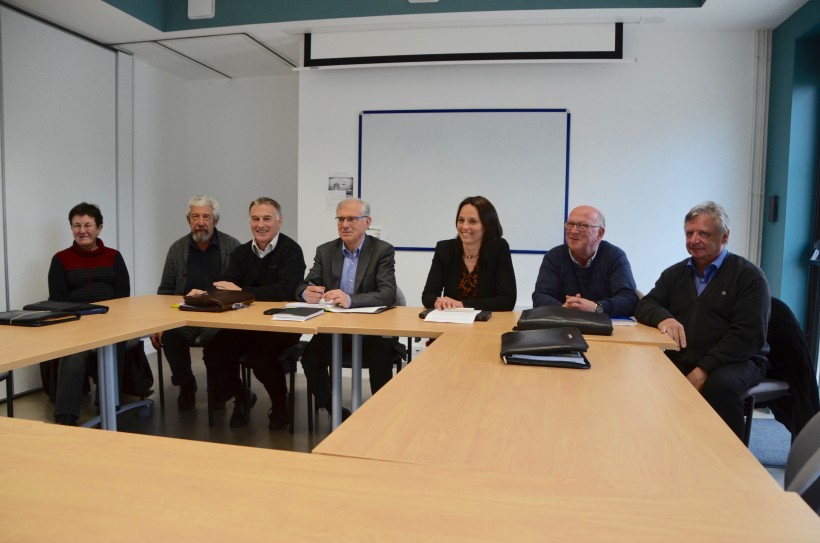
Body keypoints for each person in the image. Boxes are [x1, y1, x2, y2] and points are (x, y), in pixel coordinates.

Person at [635, 201, 770, 439]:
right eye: (689, 233)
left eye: (703, 234)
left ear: (724, 237)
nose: (694, 240)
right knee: (647, 375)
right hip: (688, 354)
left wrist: (703, 369)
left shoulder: (748, 276)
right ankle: (664, 443)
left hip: (737, 360)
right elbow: (646, 305)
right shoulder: (675, 274)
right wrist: (664, 318)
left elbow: (748, 335)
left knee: (720, 386)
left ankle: (729, 457)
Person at [201, 198, 305, 430]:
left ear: (279, 221)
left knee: (261, 360)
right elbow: (229, 285)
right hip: (245, 326)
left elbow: (286, 290)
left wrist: (244, 293)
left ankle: (280, 405)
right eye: (255, 219)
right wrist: (207, 293)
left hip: (280, 326)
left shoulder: (291, 251)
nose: (261, 224)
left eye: (267, 218)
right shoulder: (240, 253)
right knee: (213, 354)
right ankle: (243, 396)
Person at [297, 198, 397, 418]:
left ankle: (381, 415)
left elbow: (388, 293)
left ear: (367, 222)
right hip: (334, 330)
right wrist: (306, 292)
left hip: (368, 331)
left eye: (351, 219)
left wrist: (351, 300)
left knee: (382, 358)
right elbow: (307, 283)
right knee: (310, 357)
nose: (345, 225)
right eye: (340, 219)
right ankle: (333, 409)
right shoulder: (325, 251)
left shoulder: (382, 251)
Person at [151, 195, 241, 410]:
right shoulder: (177, 249)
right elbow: (164, 292)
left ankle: (217, 387)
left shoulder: (232, 246)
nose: (200, 222)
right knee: (171, 335)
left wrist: (211, 296)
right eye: (195, 217)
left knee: (218, 338)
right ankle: (186, 384)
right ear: (188, 220)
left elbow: (239, 291)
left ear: (215, 220)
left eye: (206, 217)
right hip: (184, 316)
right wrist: (159, 323)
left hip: (220, 316)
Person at [49, 202, 130, 426]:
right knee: (74, 354)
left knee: (114, 345)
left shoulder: (114, 256)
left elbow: (124, 295)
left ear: (99, 228)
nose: (82, 230)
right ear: (71, 228)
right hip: (76, 323)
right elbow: (57, 299)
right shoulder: (60, 259)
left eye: (88, 225)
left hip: (111, 321)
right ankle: (65, 415)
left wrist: (109, 319)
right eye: (77, 225)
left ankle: (109, 405)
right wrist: (79, 319)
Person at [532, 205, 638, 316]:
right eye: (570, 224)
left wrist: (597, 308)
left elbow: (629, 299)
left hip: (603, 329)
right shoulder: (554, 256)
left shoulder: (615, 256)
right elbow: (540, 296)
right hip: (563, 327)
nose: (573, 231)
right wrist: (562, 309)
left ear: (600, 233)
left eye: (582, 226)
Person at [422, 195, 516, 311]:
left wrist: (462, 305)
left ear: (486, 226)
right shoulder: (445, 249)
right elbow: (427, 296)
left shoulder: (498, 248)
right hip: (451, 321)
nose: (465, 227)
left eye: (472, 221)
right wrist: (438, 301)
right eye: (461, 220)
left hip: (487, 322)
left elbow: (508, 301)